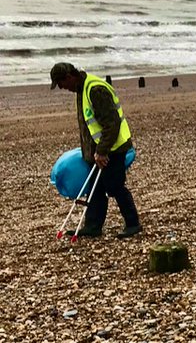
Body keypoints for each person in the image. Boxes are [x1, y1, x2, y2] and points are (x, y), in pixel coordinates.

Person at [50, 63, 141, 238]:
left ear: (69, 77)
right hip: (99, 148)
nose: (62, 88)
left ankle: (133, 223)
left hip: (113, 147)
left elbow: (111, 123)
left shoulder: (95, 89)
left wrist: (102, 151)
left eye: (61, 83)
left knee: (114, 186)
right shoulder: (81, 89)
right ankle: (93, 226)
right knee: (95, 188)